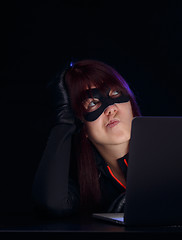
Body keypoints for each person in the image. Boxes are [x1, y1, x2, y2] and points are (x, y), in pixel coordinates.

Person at [32, 59, 141, 217]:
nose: (111, 108)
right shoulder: (86, 181)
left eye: (116, 93)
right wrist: (63, 121)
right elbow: (52, 202)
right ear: (82, 126)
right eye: (93, 103)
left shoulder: (168, 155)